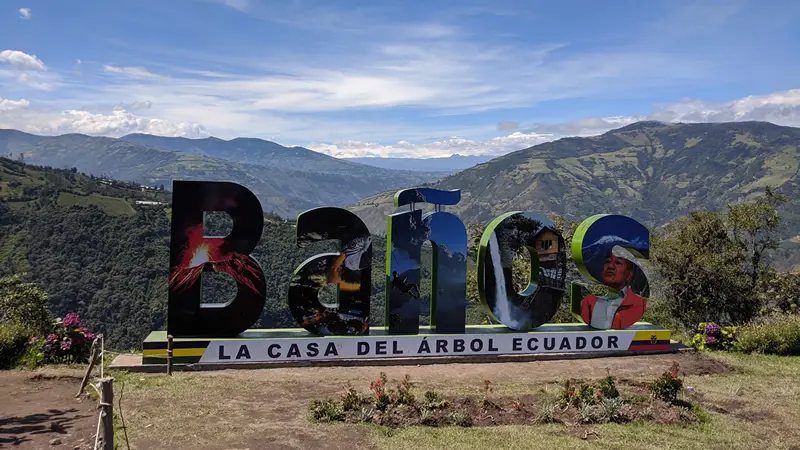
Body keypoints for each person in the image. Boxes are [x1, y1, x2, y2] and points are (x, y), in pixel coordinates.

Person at [580, 253, 646, 329]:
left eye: (618, 263)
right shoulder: (587, 303)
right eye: (608, 261)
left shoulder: (640, 304)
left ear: (629, 275)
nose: (610, 266)